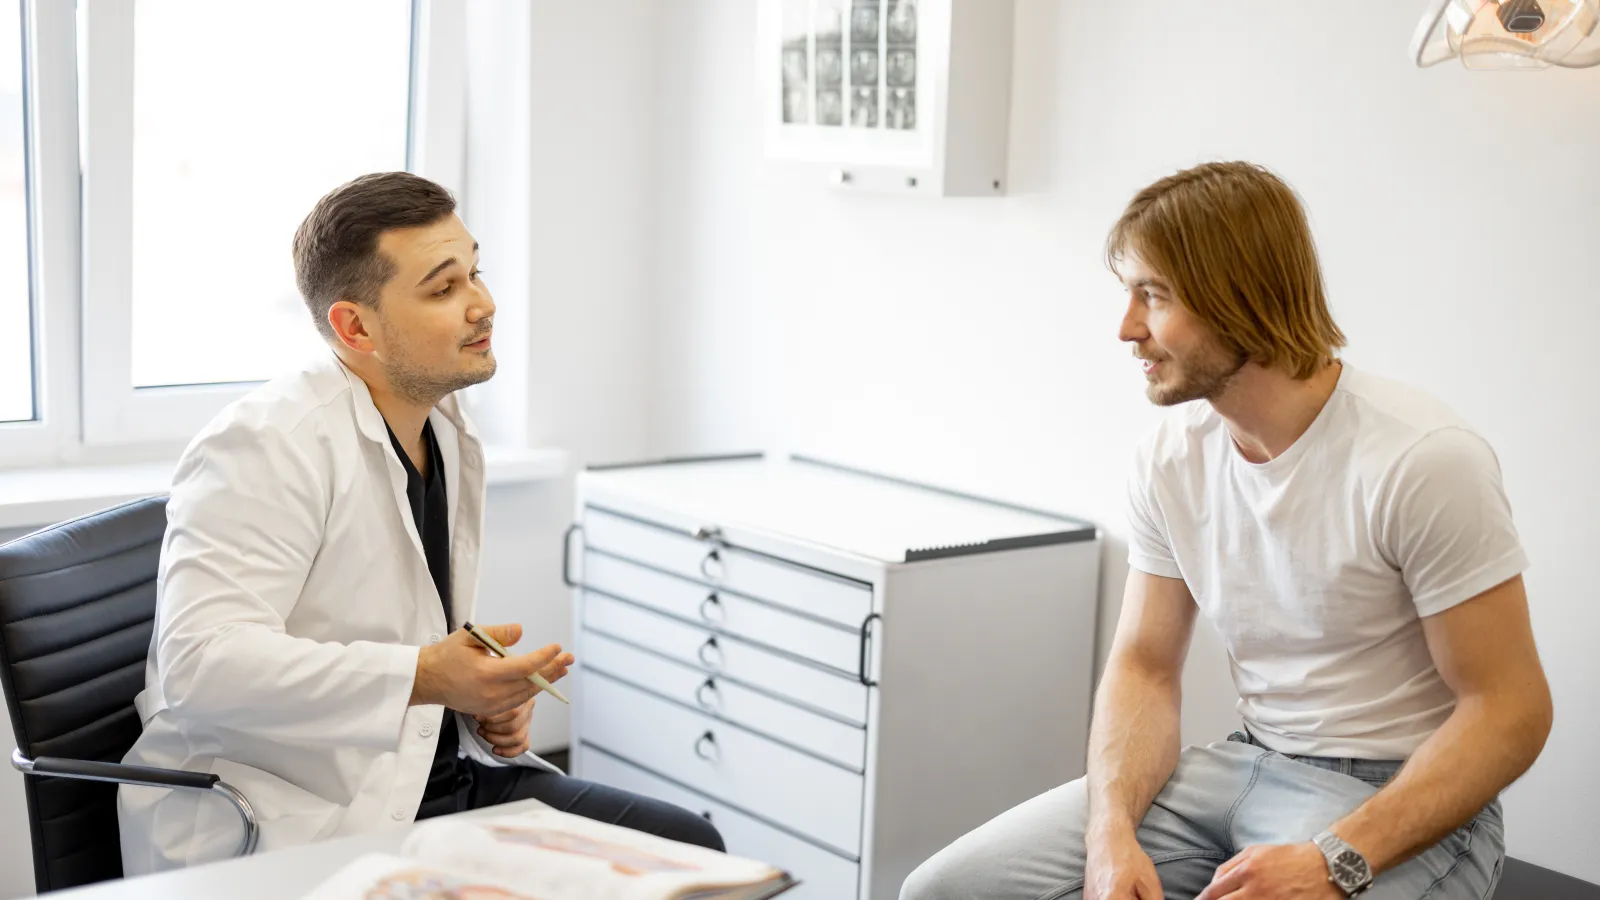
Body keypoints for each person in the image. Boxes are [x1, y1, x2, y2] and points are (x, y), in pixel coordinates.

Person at [900, 161, 1552, 900]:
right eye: (1129, 294)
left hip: (1391, 792)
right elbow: (1145, 665)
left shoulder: (1420, 460)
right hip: (1243, 765)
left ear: (1238, 297)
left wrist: (1335, 858)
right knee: (943, 890)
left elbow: (1511, 710)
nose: (1127, 328)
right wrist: (1109, 837)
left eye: (1154, 295)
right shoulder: (1171, 460)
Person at [118, 172, 722, 873]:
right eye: (444, 288)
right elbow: (200, 668)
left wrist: (480, 700)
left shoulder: (445, 425)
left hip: (434, 787)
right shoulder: (268, 444)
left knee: (691, 852)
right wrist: (426, 677)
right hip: (294, 820)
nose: (484, 305)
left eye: (475, 272)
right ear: (355, 326)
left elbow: (394, 628)